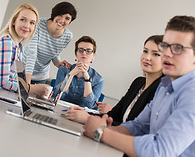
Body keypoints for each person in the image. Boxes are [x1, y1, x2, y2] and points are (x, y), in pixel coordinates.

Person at [83, 16, 195, 156]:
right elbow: (138, 126)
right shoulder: (165, 84)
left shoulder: (192, 95)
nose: (166, 53)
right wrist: (104, 128)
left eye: (178, 48)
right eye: (165, 46)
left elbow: (159, 151)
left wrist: (101, 133)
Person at [66, 35, 163, 125]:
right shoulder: (138, 82)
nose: (147, 57)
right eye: (145, 51)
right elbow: (113, 115)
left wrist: (88, 118)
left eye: (156, 54)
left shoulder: (162, 91)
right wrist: (83, 114)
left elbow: (135, 129)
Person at [0, 4, 48, 96]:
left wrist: (30, 89)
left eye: (32, 23)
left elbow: (17, 79)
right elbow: (4, 83)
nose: (27, 26)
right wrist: (30, 89)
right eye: (23, 20)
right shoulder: (6, 41)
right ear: (14, 21)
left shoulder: (19, 46)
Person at [24, 1, 76, 84]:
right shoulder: (38, 23)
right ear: (54, 14)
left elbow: (54, 54)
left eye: (67, 18)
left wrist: (59, 63)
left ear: (70, 21)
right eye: (60, 15)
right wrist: (28, 84)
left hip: (41, 76)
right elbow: (32, 53)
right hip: (24, 71)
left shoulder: (68, 36)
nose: (62, 20)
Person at [51, 36, 104, 108]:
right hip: (59, 109)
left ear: (93, 55)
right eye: (81, 50)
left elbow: (90, 105)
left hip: (80, 115)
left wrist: (86, 77)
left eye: (88, 51)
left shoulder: (99, 79)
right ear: (76, 53)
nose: (84, 53)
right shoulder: (64, 69)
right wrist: (71, 75)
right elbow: (57, 96)